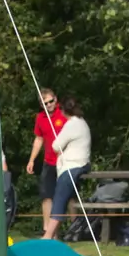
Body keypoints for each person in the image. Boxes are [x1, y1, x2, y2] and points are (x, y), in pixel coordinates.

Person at [42, 98, 91, 240]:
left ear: (64, 110)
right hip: (80, 164)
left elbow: (56, 146)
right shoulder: (82, 122)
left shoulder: (72, 124)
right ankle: (64, 233)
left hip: (72, 166)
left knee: (59, 199)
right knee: (66, 199)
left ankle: (48, 235)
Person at [25, 89, 67, 233]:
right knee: (46, 195)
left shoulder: (64, 112)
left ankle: (75, 230)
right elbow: (38, 139)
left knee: (70, 195)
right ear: (41, 105)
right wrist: (31, 160)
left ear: (56, 99)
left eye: (51, 101)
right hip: (49, 162)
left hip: (66, 161)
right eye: (45, 103)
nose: (49, 105)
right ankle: (47, 229)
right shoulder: (40, 118)